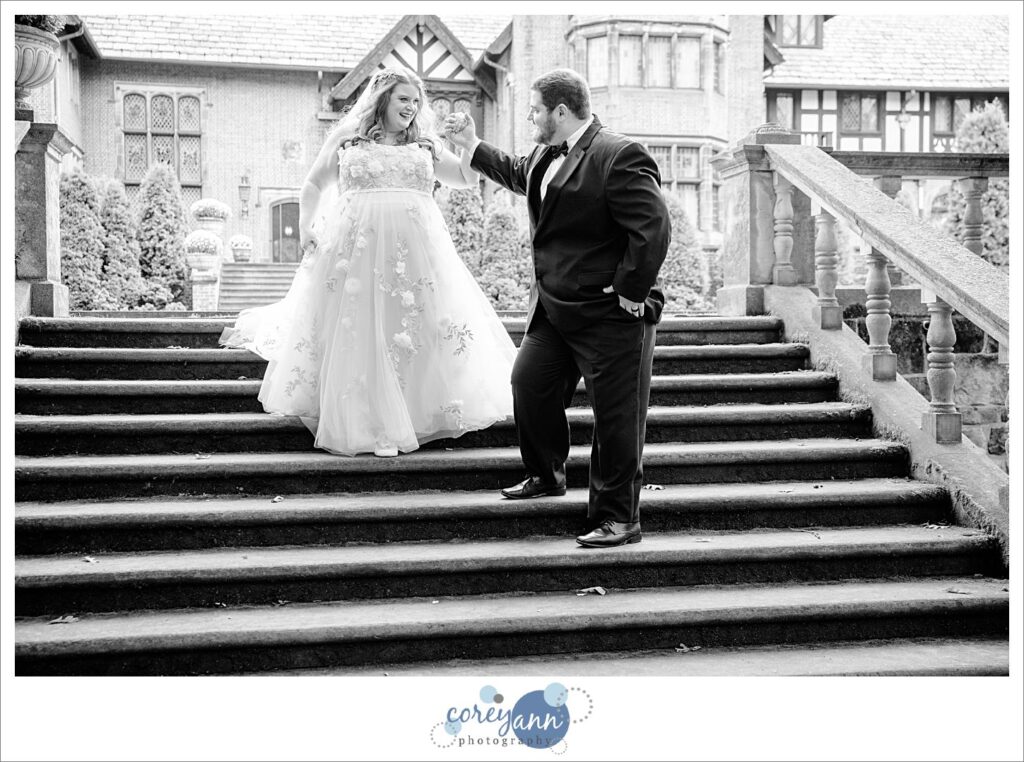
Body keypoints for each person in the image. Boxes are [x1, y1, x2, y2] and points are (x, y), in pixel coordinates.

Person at [221, 67, 517, 457]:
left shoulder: (425, 142)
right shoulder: (348, 138)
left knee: (409, 330)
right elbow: (313, 184)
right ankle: (366, 419)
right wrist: (306, 222)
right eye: (403, 99)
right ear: (382, 100)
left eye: (416, 101)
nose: (411, 108)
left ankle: (409, 417)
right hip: (355, 253)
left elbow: (463, 177)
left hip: (417, 257)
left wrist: (467, 142)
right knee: (360, 330)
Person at [446, 68, 670, 548]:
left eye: (534, 110)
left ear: (560, 111)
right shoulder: (547, 153)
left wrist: (631, 290)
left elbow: (651, 228)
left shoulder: (619, 154)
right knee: (528, 384)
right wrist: (472, 144)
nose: (530, 117)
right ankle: (547, 473)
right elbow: (516, 172)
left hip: (611, 313)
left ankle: (618, 518)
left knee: (616, 419)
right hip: (553, 308)